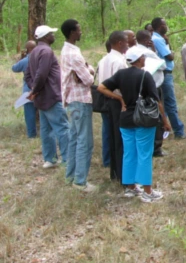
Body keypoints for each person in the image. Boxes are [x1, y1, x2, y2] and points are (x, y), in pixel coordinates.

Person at [98, 48, 172, 202]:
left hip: (125, 120)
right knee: (144, 154)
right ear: (139, 59)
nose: (144, 58)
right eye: (143, 56)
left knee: (129, 153)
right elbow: (157, 101)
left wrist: (119, 99)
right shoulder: (145, 75)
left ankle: (131, 188)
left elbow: (101, 87)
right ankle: (148, 191)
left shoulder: (121, 74)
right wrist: (165, 121)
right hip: (143, 119)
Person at [24, 25, 70, 169]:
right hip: (51, 96)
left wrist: (34, 90)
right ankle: (68, 160)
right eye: (51, 33)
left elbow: (27, 75)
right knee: (62, 128)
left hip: (41, 98)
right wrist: (35, 90)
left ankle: (49, 159)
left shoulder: (34, 52)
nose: (53, 36)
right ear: (45, 36)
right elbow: (41, 74)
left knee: (46, 130)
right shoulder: (46, 51)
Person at [60, 19, 96, 192]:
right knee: (84, 141)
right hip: (81, 100)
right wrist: (90, 69)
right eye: (79, 30)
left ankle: (71, 176)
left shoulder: (66, 50)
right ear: (72, 32)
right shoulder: (74, 55)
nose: (81, 32)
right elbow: (88, 79)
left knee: (74, 139)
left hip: (72, 100)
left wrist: (86, 68)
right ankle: (80, 181)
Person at [151, 17, 186, 139]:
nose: (166, 26)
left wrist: (168, 44)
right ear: (159, 26)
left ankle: (165, 130)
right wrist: (171, 52)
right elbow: (170, 56)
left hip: (165, 73)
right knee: (170, 103)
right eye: (164, 24)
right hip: (164, 73)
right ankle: (178, 131)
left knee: (165, 103)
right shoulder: (157, 39)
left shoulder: (160, 39)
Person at [97, 31, 129, 179]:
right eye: (127, 42)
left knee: (111, 135)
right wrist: (122, 99)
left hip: (106, 101)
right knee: (120, 138)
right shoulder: (119, 62)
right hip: (117, 101)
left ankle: (114, 172)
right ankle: (122, 174)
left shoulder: (103, 60)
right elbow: (121, 85)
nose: (128, 45)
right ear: (120, 43)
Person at [134, 29, 167, 156]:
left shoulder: (133, 50)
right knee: (157, 114)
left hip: (140, 88)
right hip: (154, 87)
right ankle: (157, 147)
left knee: (143, 114)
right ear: (146, 40)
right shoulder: (148, 52)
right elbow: (163, 66)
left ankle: (146, 144)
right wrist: (154, 51)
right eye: (150, 38)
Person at [12, 40, 38, 138]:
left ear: (27, 49)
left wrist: (20, 58)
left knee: (30, 114)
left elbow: (14, 68)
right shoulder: (42, 58)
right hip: (42, 91)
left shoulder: (25, 60)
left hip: (28, 91)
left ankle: (32, 135)